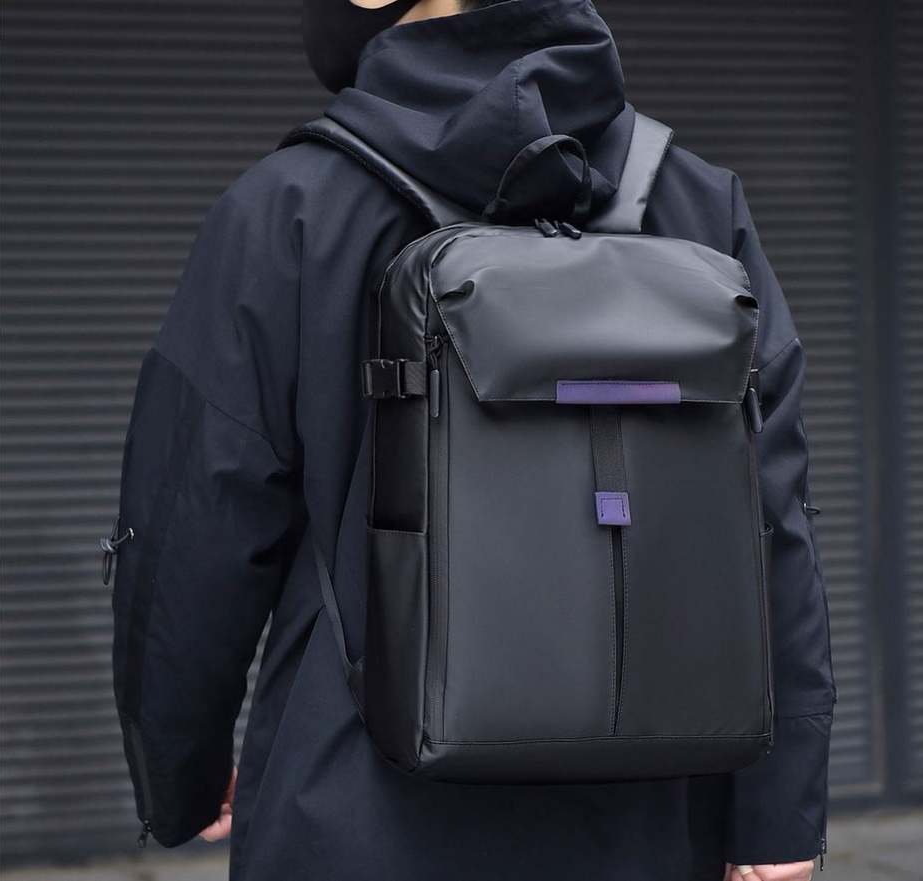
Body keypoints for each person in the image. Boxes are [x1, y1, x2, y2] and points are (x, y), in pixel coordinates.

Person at [109, 1, 837, 879]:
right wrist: (778, 818)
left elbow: (193, 530)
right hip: (647, 823)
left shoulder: (289, 209)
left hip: (349, 820)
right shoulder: (698, 202)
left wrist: (180, 775)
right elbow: (771, 523)